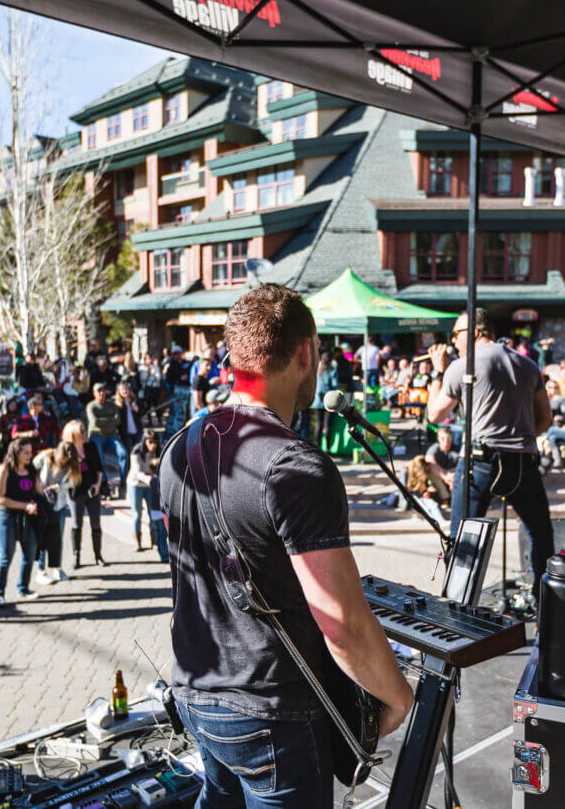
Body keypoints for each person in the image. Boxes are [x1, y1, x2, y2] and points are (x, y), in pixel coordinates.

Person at [158, 284, 413, 806]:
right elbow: (340, 622)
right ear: (306, 353)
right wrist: (397, 696)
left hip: (197, 695)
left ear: (235, 357)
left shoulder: (178, 448)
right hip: (272, 716)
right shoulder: (296, 466)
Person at [427, 309, 554, 598]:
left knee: (464, 541)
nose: (453, 340)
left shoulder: (462, 366)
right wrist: (518, 438)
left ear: (473, 333)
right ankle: (545, 601)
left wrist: (438, 371)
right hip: (522, 460)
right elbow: (546, 418)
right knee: (541, 533)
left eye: (456, 334)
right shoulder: (527, 364)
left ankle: (459, 606)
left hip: (480, 461)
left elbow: (434, 414)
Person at [0, 439, 43, 604]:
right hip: (6, 516)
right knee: (6, 556)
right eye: (26, 452)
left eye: (30, 452)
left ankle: (23, 588)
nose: (30, 455)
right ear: (16, 452)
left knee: (29, 553)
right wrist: (24, 505)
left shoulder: (31, 469)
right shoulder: (4, 470)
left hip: (27, 516)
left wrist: (41, 498)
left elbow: (38, 491)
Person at [33, 442, 80, 585]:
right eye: (63, 458)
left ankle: (56, 567)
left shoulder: (72, 464)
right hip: (42, 502)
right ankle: (40, 571)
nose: (64, 462)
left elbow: (73, 482)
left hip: (58, 504)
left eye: (67, 460)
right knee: (42, 537)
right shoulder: (46, 457)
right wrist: (37, 485)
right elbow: (31, 467)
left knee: (57, 537)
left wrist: (59, 487)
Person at [62, 419, 105, 568]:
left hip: (93, 490)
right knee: (76, 524)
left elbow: (99, 467)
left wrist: (98, 484)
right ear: (72, 434)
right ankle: (76, 555)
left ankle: (98, 555)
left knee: (95, 523)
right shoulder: (66, 450)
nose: (84, 433)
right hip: (75, 492)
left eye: (84, 430)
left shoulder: (91, 446)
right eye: (81, 431)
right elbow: (61, 473)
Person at [127, 432, 167, 559]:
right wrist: (149, 478)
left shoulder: (158, 451)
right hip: (136, 485)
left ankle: (154, 540)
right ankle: (137, 541)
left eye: (155, 442)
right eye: (150, 443)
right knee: (137, 513)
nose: (153, 446)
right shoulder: (136, 452)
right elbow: (136, 472)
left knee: (153, 513)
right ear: (145, 442)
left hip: (151, 486)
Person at [85, 383, 128, 494]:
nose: (102, 393)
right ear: (94, 393)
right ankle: (104, 484)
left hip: (111, 435)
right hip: (96, 435)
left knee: (123, 453)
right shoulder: (91, 406)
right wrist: (110, 420)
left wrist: (103, 421)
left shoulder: (111, 405)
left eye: (103, 390)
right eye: (99, 391)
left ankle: (123, 481)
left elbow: (117, 420)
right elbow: (95, 422)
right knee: (100, 458)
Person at [115, 380, 142, 478]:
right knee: (129, 454)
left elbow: (143, 412)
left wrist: (138, 410)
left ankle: (137, 474)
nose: (125, 391)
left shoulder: (135, 401)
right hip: (126, 433)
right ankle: (126, 477)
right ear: (119, 392)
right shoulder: (118, 405)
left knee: (138, 453)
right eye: (122, 389)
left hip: (137, 431)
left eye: (126, 389)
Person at [425, 427, 458, 502]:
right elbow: (430, 462)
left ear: (452, 438)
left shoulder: (457, 449)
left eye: (448, 438)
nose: (446, 441)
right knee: (430, 470)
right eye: (443, 438)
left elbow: (464, 464)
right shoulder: (434, 449)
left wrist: (453, 476)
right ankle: (445, 498)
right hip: (441, 476)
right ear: (438, 439)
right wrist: (445, 477)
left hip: (453, 475)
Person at [313, 351, 333, 447]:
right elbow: (335, 385)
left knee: (319, 424)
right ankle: (328, 449)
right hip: (329, 400)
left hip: (317, 400)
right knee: (327, 425)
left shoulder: (316, 369)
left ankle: (318, 447)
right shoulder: (332, 370)